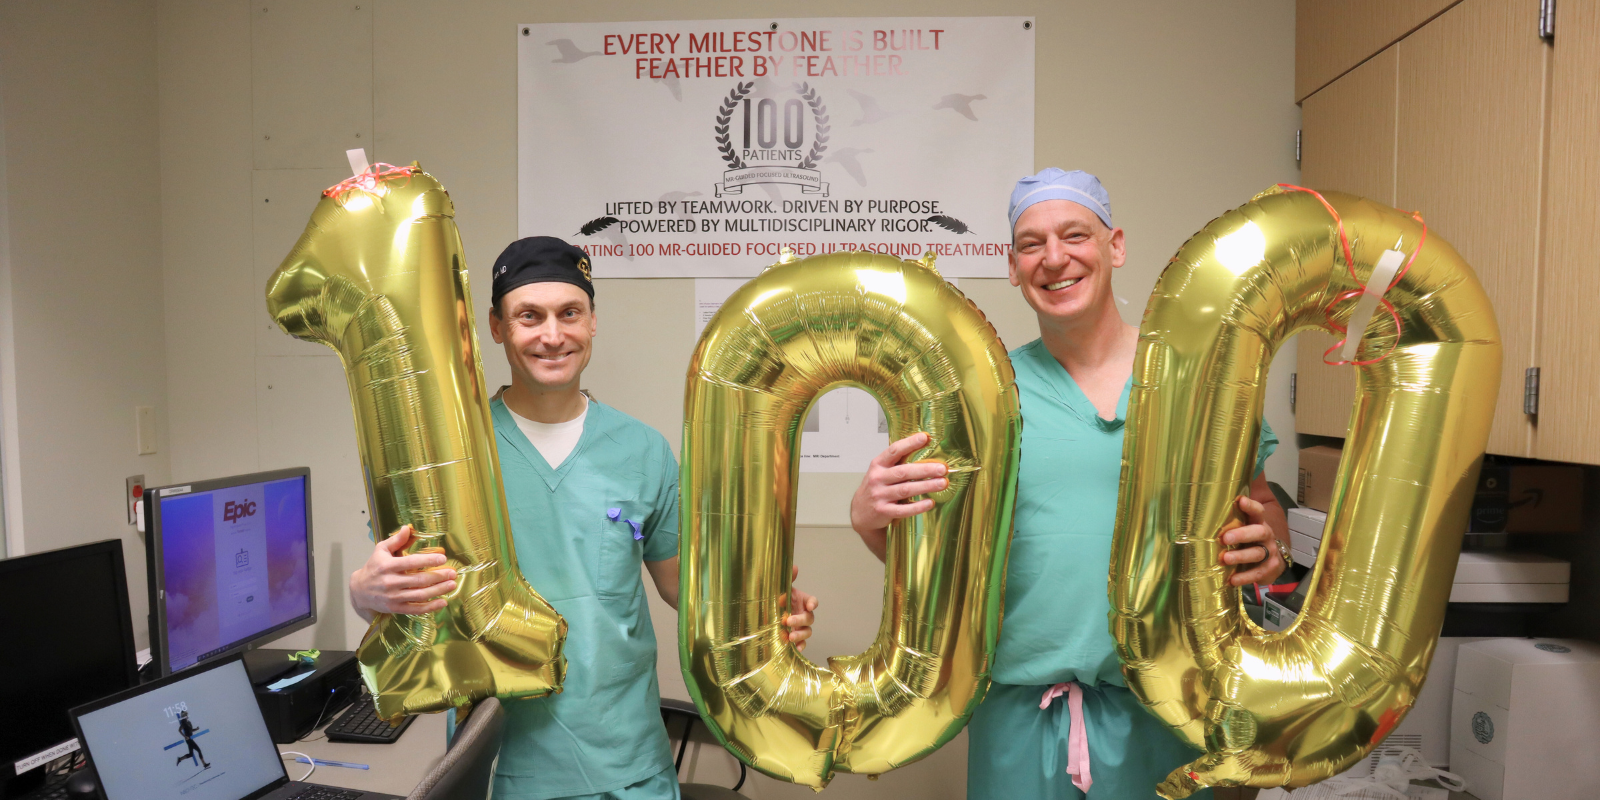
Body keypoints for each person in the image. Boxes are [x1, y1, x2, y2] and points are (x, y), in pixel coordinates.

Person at [850, 169, 1290, 799]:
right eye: (1031, 244)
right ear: (1011, 266)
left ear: (1115, 246)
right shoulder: (985, 396)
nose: (1054, 258)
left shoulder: (1197, 380)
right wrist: (869, 518)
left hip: (1171, 712)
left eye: (1074, 235)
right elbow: (935, 572)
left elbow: (1264, 506)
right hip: (1020, 719)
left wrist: (1270, 545)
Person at [346, 237, 818, 800]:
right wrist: (363, 591)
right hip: (503, 766)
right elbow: (402, 589)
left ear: (592, 323)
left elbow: (682, 590)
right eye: (529, 317)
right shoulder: (454, 455)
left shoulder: (643, 449)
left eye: (569, 313)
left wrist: (762, 619)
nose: (552, 335)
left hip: (630, 763)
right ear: (496, 327)